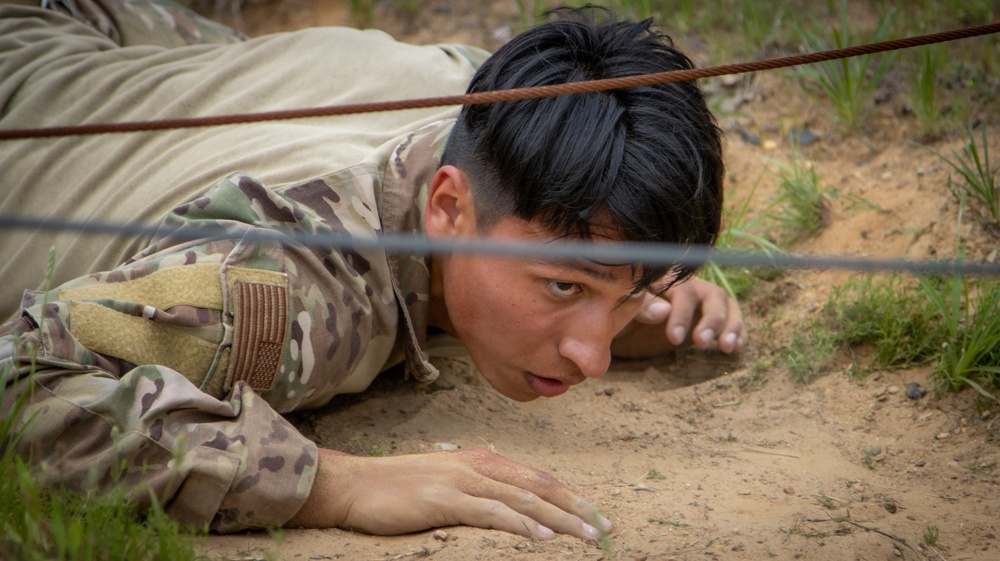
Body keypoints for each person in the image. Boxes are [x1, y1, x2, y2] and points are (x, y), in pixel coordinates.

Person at [0, 0, 743, 543]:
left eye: (630, 294)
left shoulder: (490, 93)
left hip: (98, 34)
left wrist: (638, 277)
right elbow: (18, 384)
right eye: (563, 285)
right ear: (449, 207)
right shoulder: (274, 292)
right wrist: (331, 483)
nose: (595, 355)